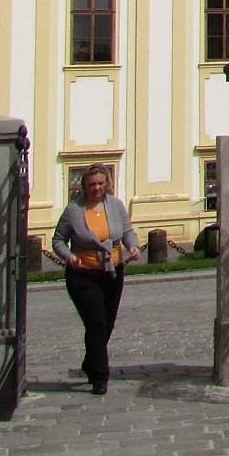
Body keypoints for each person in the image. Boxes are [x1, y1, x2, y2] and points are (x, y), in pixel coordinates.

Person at [52, 164, 140, 394]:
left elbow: (128, 232)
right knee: (96, 323)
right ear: (84, 186)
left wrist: (133, 246)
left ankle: (91, 362)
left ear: (107, 184)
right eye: (92, 184)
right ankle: (100, 376)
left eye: (100, 183)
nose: (97, 188)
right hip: (83, 274)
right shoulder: (73, 210)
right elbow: (58, 240)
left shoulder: (116, 206)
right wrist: (69, 257)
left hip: (112, 272)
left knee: (107, 323)